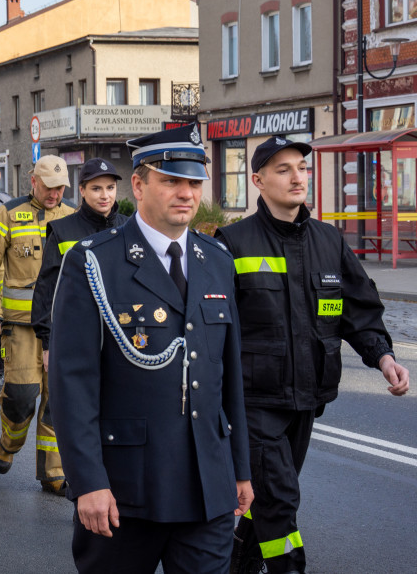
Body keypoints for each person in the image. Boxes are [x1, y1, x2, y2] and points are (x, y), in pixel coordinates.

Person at [49, 123, 252, 573]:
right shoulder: (95, 260)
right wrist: (87, 482)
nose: (186, 193)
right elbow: (72, 383)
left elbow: (228, 375)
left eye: (194, 182)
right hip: (125, 488)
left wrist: (240, 467)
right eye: (171, 181)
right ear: (139, 185)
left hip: (206, 484)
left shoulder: (216, 259)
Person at [215, 136, 410, 574]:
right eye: (283, 169)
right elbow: (213, 331)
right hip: (254, 404)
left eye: (302, 167)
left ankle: (231, 566)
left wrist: (383, 358)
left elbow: (359, 312)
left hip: (306, 399)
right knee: (280, 500)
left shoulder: (328, 240)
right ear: (258, 181)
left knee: (258, 502)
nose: (297, 176)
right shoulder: (233, 242)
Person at [0, 155, 76, 491]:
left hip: (63, 325)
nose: (54, 194)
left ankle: (53, 472)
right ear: (33, 182)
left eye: (60, 188)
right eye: (49, 187)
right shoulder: (9, 213)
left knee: (58, 400)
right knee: (22, 396)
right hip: (20, 326)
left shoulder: (73, 216)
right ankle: (10, 441)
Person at [32, 157, 129, 364]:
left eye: (110, 188)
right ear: (82, 190)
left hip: (123, 336)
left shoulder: (129, 228)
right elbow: (48, 288)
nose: (105, 196)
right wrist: (48, 342)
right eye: (96, 189)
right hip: (76, 335)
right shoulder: (62, 230)